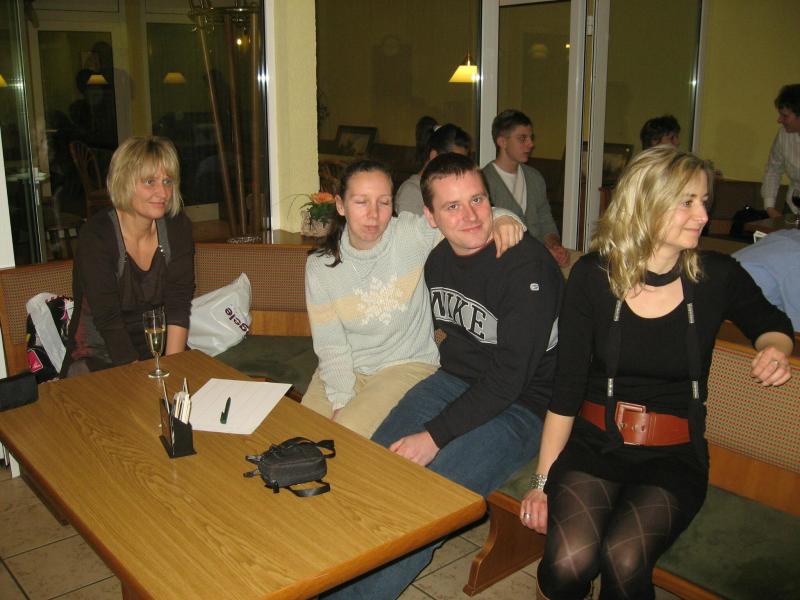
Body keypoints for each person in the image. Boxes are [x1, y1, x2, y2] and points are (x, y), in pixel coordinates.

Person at [520, 146, 794, 600]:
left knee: (624, 559)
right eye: (687, 202)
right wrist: (541, 483)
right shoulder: (593, 276)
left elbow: (772, 323)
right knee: (569, 563)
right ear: (645, 203)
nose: (702, 215)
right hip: (594, 442)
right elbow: (566, 389)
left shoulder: (716, 276)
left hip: (673, 455)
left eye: (704, 201)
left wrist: (775, 349)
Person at [324, 153, 563, 599]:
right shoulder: (436, 261)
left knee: (425, 504)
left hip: (523, 407)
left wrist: (434, 436)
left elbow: (509, 380)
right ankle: (318, 575)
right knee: (372, 469)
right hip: (453, 381)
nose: (470, 216)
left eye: (477, 200)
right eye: (452, 206)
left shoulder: (527, 268)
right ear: (430, 217)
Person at [302, 159, 525, 438]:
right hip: (345, 366)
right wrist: (341, 398)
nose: (373, 214)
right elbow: (331, 346)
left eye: (384, 202)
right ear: (340, 205)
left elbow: (464, 218)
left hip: (406, 365)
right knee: (302, 434)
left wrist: (503, 218)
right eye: (361, 202)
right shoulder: (320, 267)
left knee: (346, 435)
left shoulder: (409, 234)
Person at [61, 136, 195, 377]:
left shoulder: (177, 226)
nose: (162, 192)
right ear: (123, 182)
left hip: (158, 346)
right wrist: (141, 380)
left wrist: (172, 367)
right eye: (149, 182)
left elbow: (178, 303)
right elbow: (108, 319)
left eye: (167, 181)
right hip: (100, 353)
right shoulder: (97, 236)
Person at [482, 109, 570, 267]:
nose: (531, 144)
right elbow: (488, 237)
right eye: (522, 138)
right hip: (504, 265)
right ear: (502, 142)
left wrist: (555, 246)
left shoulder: (535, 177)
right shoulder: (483, 181)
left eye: (531, 138)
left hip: (537, 261)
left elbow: (546, 221)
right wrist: (540, 253)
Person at [395, 120, 472, 215]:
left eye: (462, 163)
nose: (459, 168)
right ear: (434, 156)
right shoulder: (411, 191)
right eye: (453, 161)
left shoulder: (447, 188)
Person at [734, 229, 800, 331]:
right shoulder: (796, 258)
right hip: (729, 324)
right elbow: (796, 327)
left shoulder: (790, 235)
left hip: (719, 301)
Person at [762, 83, 800, 219]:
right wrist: (770, 207)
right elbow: (773, 169)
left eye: (785, 116)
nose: (779, 120)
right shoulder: (784, 135)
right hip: (793, 206)